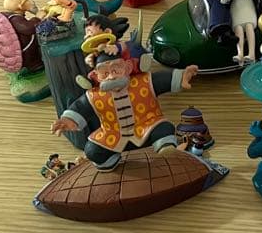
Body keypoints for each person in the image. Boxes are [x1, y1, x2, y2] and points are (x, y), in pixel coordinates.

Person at [51, 49, 200, 171]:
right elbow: (80, 107)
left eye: (116, 70)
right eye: (105, 73)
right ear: (96, 76)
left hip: (147, 127)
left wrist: (182, 76)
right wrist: (68, 120)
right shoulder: (95, 95)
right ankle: (109, 163)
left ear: (127, 68)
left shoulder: (143, 82)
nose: (111, 77)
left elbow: (163, 79)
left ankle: (165, 147)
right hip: (112, 136)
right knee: (92, 150)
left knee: (164, 128)